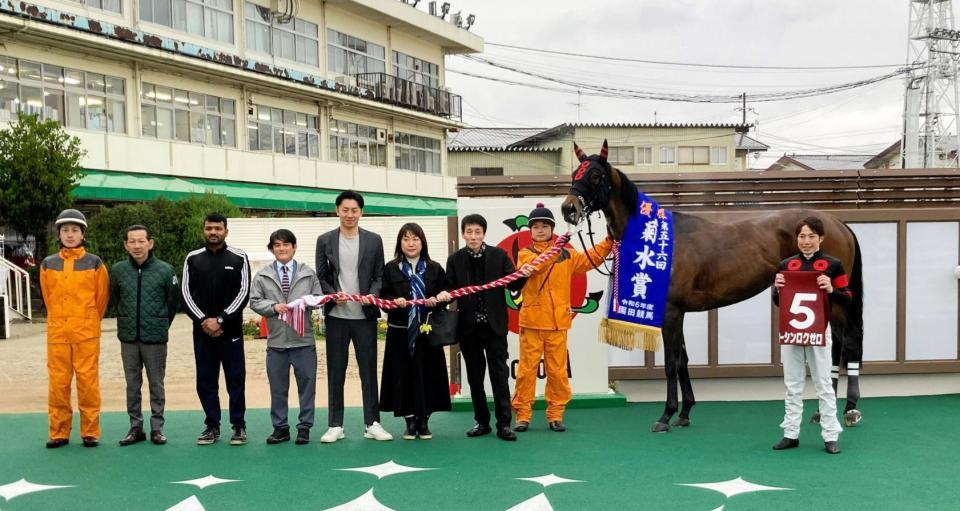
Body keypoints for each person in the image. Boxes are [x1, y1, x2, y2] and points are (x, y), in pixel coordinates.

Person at [512, 203, 612, 432]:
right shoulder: (525, 254)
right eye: (535, 226)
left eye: (544, 225)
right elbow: (532, 268)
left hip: (558, 324)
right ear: (530, 230)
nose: (540, 230)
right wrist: (556, 249)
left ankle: (556, 415)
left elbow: (589, 259)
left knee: (557, 372)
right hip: (532, 323)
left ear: (552, 228)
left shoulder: (567, 253)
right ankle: (523, 415)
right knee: (527, 372)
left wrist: (608, 242)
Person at [315, 190, 392, 442]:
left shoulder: (373, 240)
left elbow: (379, 275)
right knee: (336, 370)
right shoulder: (324, 240)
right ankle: (335, 424)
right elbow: (322, 276)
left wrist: (372, 294)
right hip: (337, 316)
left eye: (354, 210)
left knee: (368, 371)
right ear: (337, 210)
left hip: (365, 316)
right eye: (345, 209)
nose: (350, 214)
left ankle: (373, 423)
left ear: (361, 212)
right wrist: (331, 293)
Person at [437, 214, 520, 442]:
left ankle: (504, 424)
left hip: (494, 327)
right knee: (474, 378)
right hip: (469, 329)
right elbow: (450, 287)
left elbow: (515, 283)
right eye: (469, 232)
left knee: (499, 377)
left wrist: (525, 273)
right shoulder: (455, 259)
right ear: (463, 233)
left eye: (477, 232)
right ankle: (481, 422)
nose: (473, 236)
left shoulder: (499, 256)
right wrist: (442, 296)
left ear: (484, 233)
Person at [772, 216, 850, 455]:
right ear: (797, 239)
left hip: (819, 330)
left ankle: (830, 435)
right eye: (802, 236)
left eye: (811, 236)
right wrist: (777, 289)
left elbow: (847, 296)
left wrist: (831, 289)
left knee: (823, 383)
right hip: (792, 330)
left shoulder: (833, 264)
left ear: (821, 238)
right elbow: (778, 301)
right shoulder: (785, 264)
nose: (806, 241)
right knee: (792, 384)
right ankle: (790, 433)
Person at [39, 209, 110, 448]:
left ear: (83, 234)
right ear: (58, 234)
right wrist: (60, 320)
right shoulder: (48, 264)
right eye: (65, 230)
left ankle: (90, 431)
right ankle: (59, 432)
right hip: (58, 333)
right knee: (58, 383)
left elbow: (101, 299)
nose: (70, 235)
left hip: (86, 334)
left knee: (88, 383)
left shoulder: (95, 263)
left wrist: (88, 321)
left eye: (75, 230)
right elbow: (48, 298)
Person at [181, 213, 251, 446]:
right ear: (203, 230)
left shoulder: (239, 257)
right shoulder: (193, 258)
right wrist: (204, 320)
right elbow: (185, 294)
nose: (213, 232)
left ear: (226, 231)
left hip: (230, 332)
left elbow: (243, 293)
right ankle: (212, 426)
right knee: (206, 380)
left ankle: (238, 426)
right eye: (209, 228)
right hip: (202, 332)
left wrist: (220, 319)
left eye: (218, 228)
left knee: (236, 380)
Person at [249, 229, 322, 445]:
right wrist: (273, 306)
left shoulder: (308, 273)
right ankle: (280, 427)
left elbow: (318, 298)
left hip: (303, 340)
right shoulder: (262, 275)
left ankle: (304, 427)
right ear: (272, 249)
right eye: (277, 245)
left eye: (286, 244)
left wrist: (307, 301)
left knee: (307, 386)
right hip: (277, 342)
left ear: (294, 247)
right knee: (278, 387)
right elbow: (254, 301)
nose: (282, 249)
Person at [378, 223, 451, 439]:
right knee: (403, 376)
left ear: (422, 242)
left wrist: (438, 300)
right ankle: (409, 420)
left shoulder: (434, 268)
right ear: (400, 243)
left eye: (415, 239)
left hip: (427, 331)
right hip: (400, 332)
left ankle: (424, 420)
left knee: (427, 374)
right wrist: (394, 301)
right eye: (406, 239)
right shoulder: (391, 268)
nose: (411, 243)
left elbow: (445, 295)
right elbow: (383, 298)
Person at [111, 225, 179, 446]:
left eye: (141, 241)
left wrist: (159, 324)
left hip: (155, 338)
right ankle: (135, 427)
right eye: (132, 241)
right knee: (132, 384)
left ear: (150, 243)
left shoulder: (165, 270)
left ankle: (157, 428)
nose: (137, 246)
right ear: (126, 244)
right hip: (128, 337)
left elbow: (172, 302)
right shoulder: (118, 270)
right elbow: (115, 298)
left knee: (156, 384)